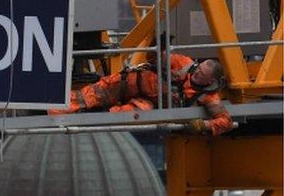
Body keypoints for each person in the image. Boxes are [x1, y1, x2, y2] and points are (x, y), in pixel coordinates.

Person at [50, 53, 233, 136]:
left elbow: (226, 121)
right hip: (130, 83)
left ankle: (87, 118)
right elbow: (154, 58)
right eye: (198, 69)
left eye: (201, 74)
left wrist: (204, 125)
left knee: (121, 115)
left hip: (148, 102)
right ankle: (49, 109)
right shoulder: (183, 62)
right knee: (89, 95)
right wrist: (157, 49)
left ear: (210, 82)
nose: (196, 73)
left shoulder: (209, 97)